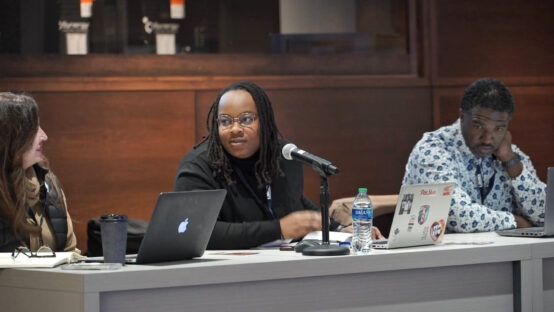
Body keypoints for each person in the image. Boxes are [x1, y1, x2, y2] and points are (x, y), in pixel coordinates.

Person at [174, 81, 382, 249]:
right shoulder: (198, 166)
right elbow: (194, 231)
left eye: (246, 119)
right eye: (226, 121)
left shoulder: (282, 155)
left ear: (264, 121)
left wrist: (340, 228)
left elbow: (293, 201)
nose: (235, 129)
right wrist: (279, 229)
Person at [403, 78, 546, 232]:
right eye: (478, 126)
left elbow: (547, 215)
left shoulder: (510, 154)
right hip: (443, 255)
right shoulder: (432, 149)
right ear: (462, 117)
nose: (487, 138)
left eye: (498, 128)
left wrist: (512, 162)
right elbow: (456, 216)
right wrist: (514, 222)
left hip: (502, 254)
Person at [0, 92, 78, 253]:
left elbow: (69, 251)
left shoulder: (48, 182)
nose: (44, 136)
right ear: (11, 136)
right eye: (34, 129)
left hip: (53, 278)